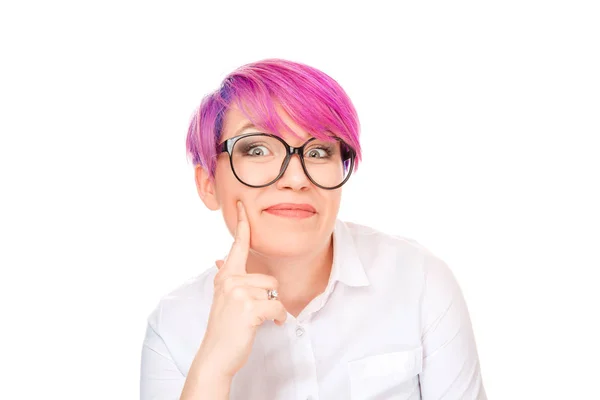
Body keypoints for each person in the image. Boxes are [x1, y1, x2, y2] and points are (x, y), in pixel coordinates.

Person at [140, 58, 486, 400]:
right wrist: (213, 366)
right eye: (257, 149)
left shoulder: (419, 281)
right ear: (208, 185)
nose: (296, 178)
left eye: (319, 151)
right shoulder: (174, 326)